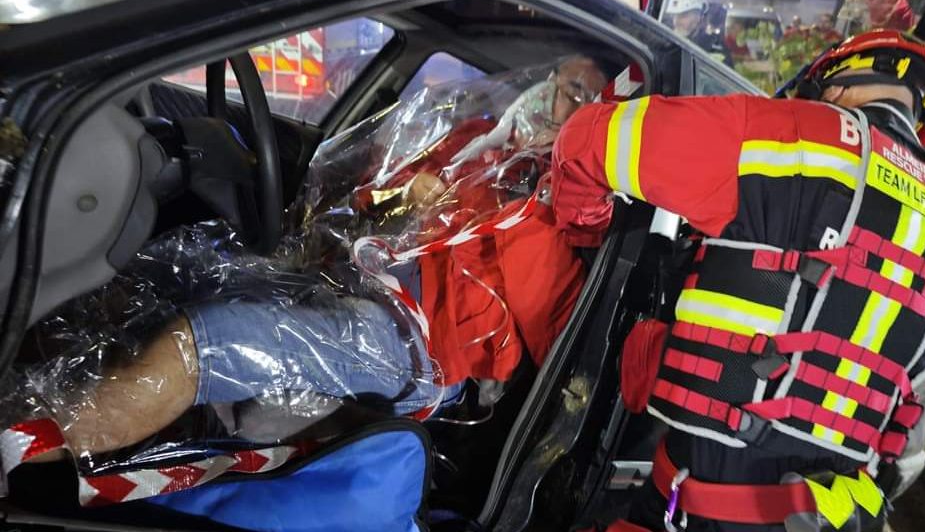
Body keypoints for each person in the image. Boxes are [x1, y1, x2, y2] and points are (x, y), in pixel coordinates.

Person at [18, 55, 611, 463]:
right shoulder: (475, 139)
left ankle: (22, 453)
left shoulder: (566, 215)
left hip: (419, 344)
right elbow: (366, 191)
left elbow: (552, 337)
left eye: (587, 100)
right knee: (175, 268)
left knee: (207, 341)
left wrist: (535, 195)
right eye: (565, 84)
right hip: (354, 264)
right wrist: (406, 192)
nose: (564, 105)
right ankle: (31, 374)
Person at [553, 31, 925, 531]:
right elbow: (913, 406)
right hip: (833, 512)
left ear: (837, 87)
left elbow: (587, 140)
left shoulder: (788, 133)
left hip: (697, 506)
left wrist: (585, 238)